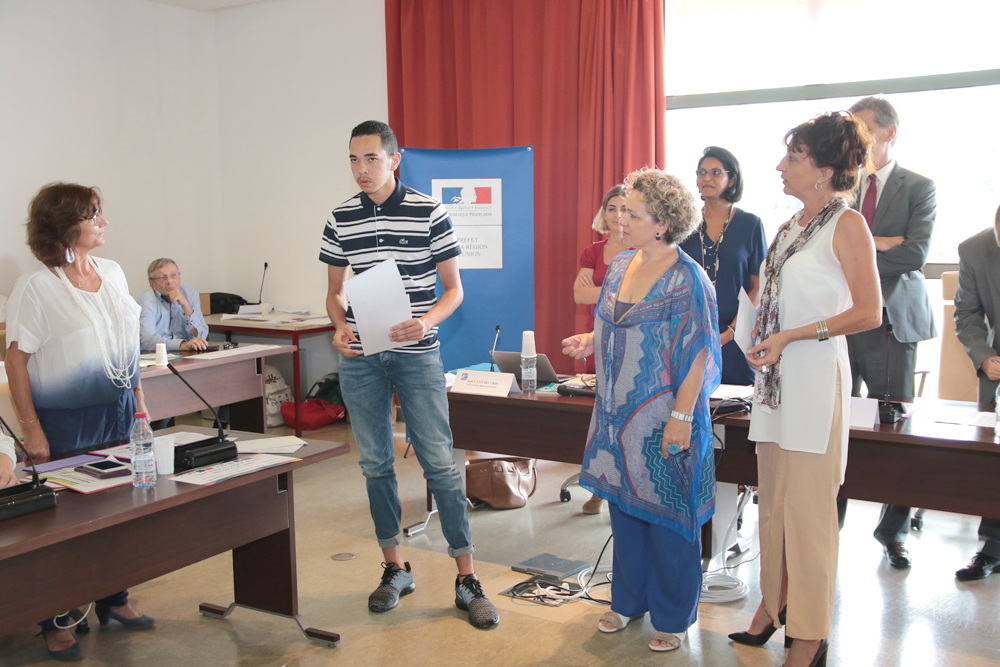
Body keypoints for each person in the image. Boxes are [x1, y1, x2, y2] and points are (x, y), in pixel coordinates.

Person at [320, 120, 498, 628]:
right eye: (354, 159)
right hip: (361, 357)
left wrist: (424, 321)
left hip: (418, 353)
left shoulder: (428, 209)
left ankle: (466, 578)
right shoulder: (340, 219)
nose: (361, 169)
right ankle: (395, 568)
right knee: (376, 464)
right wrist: (337, 327)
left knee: (439, 464)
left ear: (394, 160)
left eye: (371, 158)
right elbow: (335, 292)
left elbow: (455, 291)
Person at [730, 113, 881, 667]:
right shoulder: (791, 225)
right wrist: (756, 333)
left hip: (816, 380)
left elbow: (869, 312)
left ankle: (811, 635)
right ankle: (773, 605)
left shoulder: (848, 225)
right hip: (775, 382)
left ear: (823, 169)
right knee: (772, 505)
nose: (779, 166)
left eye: (792, 157)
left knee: (811, 516)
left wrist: (794, 334)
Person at [563, 167, 721, 653]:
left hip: (664, 418)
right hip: (614, 416)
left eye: (632, 213)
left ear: (663, 223)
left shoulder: (688, 279)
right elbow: (620, 322)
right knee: (625, 513)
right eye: (619, 210)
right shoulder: (619, 264)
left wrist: (680, 418)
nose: (618, 219)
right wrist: (590, 338)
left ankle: (673, 616)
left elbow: (699, 352)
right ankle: (627, 601)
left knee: (670, 517)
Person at [5, 183, 155, 661]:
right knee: (62, 527)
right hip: (65, 421)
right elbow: (16, 359)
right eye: (94, 215)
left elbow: (126, 348)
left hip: (117, 410)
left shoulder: (110, 271)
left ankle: (114, 598)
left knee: (117, 515)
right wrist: (31, 427)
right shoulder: (37, 285)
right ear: (67, 227)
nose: (104, 222)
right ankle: (57, 620)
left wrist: (141, 404)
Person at [845, 96, 937, 568]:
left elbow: (914, 256)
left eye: (864, 129)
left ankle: (893, 531)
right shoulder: (842, 188)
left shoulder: (919, 186)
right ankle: (829, 519)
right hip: (841, 321)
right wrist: (880, 243)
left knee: (895, 428)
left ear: (889, 132)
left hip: (893, 321)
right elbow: (828, 252)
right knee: (838, 422)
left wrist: (860, 248)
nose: (856, 140)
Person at [680, 146, 767, 386]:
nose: (707, 178)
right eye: (702, 172)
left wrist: (729, 333)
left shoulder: (750, 224)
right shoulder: (684, 225)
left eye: (716, 172)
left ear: (732, 179)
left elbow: (758, 288)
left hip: (736, 334)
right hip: (690, 333)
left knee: (736, 413)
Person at [952, 206, 1000, 581]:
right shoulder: (974, 250)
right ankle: (991, 549)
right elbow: (966, 315)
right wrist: (984, 358)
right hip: (997, 365)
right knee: (993, 460)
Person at [573, 184, 628, 515]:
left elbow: (637, 296)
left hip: (631, 340)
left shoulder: (642, 250)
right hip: (600, 337)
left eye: (624, 208)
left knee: (624, 417)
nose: (618, 215)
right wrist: (614, 290)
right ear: (603, 213)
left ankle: (621, 486)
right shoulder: (593, 251)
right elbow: (579, 296)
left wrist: (600, 288)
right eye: (611, 208)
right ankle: (600, 486)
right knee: (604, 417)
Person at [138, 258, 209, 352]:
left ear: (179, 277)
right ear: (152, 283)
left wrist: (186, 306)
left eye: (174, 275)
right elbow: (147, 340)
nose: (170, 281)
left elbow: (202, 335)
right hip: (158, 355)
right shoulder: (146, 300)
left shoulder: (191, 294)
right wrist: (182, 345)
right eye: (162, 277)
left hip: (188, 353)